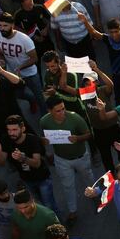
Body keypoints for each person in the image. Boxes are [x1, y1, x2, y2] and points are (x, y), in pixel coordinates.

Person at [40, 96, 94, 226]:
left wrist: (78, 138)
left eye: (63, 109)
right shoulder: (44, 121)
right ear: (49, 111)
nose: (62, 112)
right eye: (58, 110)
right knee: (67, 186)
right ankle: (72, 211)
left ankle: (95, 192)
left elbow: (89, 134)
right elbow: (44, 138)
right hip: (61, 159)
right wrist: (44, 142)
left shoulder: (75, 118)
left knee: (87, 176)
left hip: (80, 156)